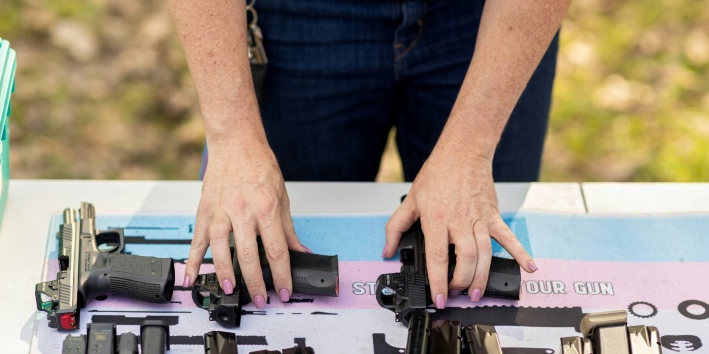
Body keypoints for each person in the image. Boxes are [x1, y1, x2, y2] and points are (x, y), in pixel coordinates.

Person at [168, 0, 570, 308]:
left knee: (477, 258)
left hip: (487, 20)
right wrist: (232, 134)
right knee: (269, 254)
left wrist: (471, 150)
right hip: (294, 19)